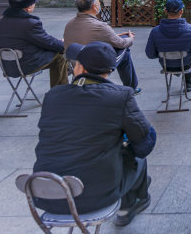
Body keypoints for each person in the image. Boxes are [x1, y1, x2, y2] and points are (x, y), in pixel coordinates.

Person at [33, 41, 156, 227]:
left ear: (80, 67)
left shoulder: (53, 95)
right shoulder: (120, 96)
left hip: (46, 193)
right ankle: (130, 204)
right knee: (135, 154)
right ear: (109, 70)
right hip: (96, 196)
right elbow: (144, 145)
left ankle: (137, 192)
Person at [64, 0, 140, 93]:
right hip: (94, 66)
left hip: (75, 64)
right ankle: (131, 88)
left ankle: (131, 87)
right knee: (125, 51)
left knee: (119, 42)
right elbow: (121, 43)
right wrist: (130, 38)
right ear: (94, 7)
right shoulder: (100, 26)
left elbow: (89, 37)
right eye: (99, 3)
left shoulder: (69, 24)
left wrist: (115, 36)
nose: (100, 5)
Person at [0, 0, 68, 87]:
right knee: (60, 56)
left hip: (7, 66)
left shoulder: (2, 21)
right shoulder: (30, 23)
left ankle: (60, 90)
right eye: (33, 3)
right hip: (25, 65)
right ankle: (59, 93)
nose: (34, 5)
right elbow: (47, 42)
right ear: (28, 7)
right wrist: (63, 44)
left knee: (55, 51)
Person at [145, 0, 191, 90]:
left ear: (165, 11)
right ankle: (189, 82)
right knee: (190, 53)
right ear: (181, 11)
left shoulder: (155, 31)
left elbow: (150, 54)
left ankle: (187, 81)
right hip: (185, 64)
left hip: (166, 65)